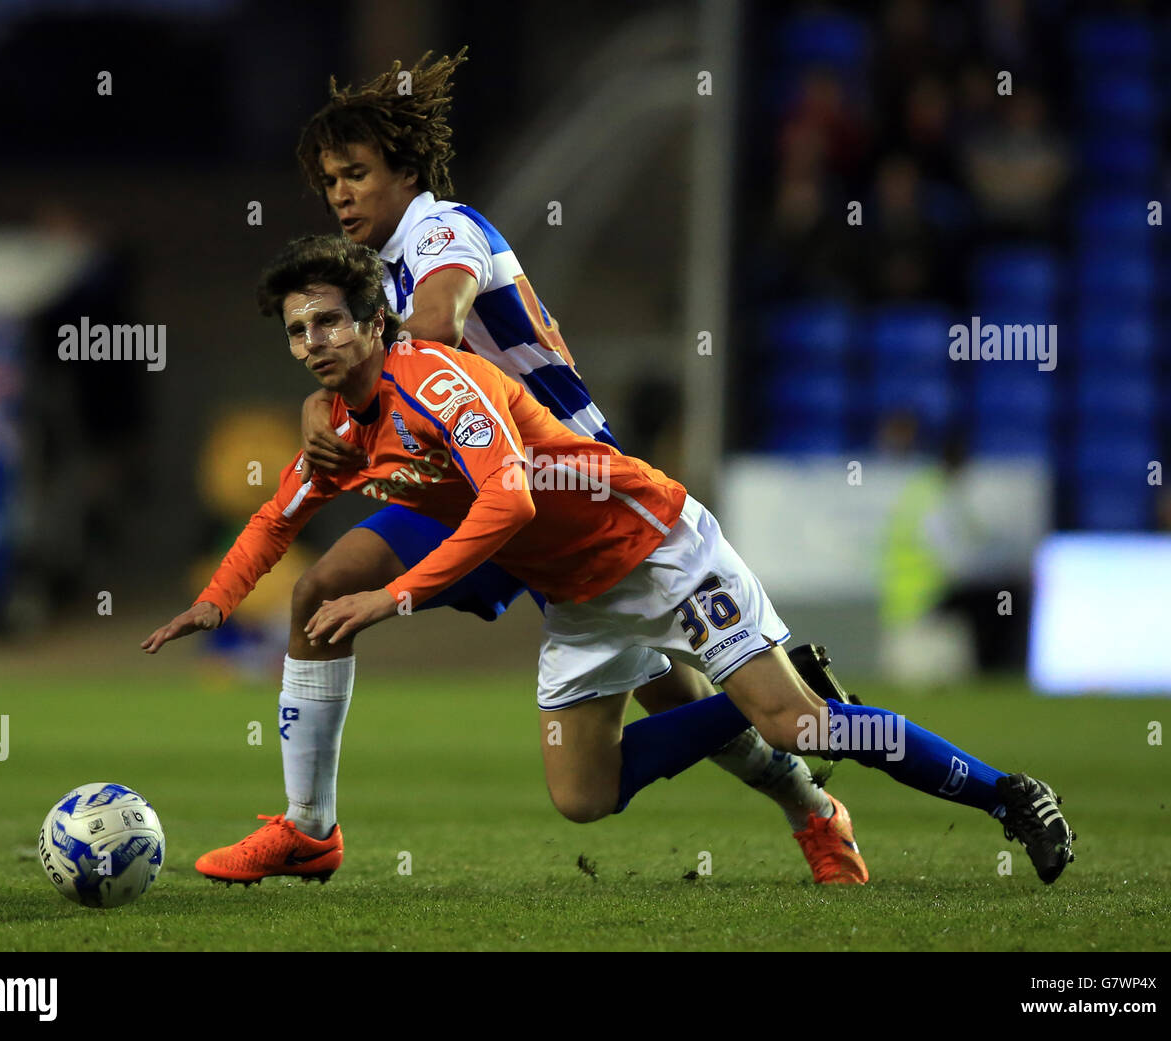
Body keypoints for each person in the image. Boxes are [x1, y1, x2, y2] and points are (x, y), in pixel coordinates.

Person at [144, 236, 1077, 886]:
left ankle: (1009, 794)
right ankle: (736, 714)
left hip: (660, 550)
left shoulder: (438, 379)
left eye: (330, 324)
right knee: (583, 798)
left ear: (377, 322)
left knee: (800, 729)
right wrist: (216, 602)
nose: (314, 344)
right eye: (299, 332)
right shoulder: (345, 426)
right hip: (580, 598)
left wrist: (393, 597)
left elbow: (507, 499)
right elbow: (278, 516)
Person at [150, 49, 867, 885]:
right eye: (328, 180)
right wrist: (327, 404)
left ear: (405, 170)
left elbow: (442, 323)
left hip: (558, 482)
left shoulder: (442, 229)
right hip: (463, 482)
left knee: (681, 702)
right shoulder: (374, 269)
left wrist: (345, 395)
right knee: (318, 592)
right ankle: (310, 828)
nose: (340, 193)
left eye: (355, 173)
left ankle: (814, 809)